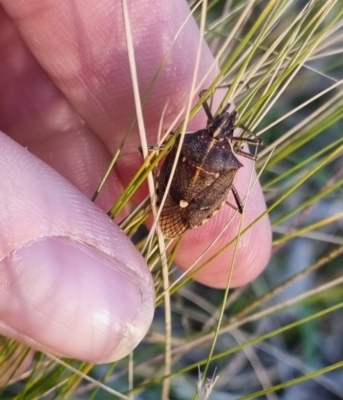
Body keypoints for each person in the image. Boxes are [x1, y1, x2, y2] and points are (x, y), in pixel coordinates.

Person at [0, 0, 271, 365]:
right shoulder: (229, 161)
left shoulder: (190, 141)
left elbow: (167, 148)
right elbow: (248, 151)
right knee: (228, 208)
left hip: (179, 182)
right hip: (193, 198)